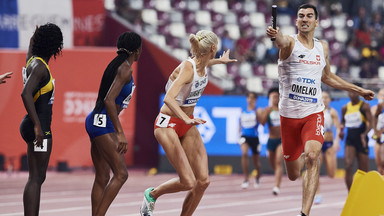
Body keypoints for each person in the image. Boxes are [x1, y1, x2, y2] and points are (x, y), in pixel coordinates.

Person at [266, 4, 374, 216]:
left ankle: (304, 213)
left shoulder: (321, 48)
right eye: (300, 16)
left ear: (316, 22)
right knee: (293, 174)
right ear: (296, 21)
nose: (304, 19)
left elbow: (327, 77)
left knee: (313, 156)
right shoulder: (289, 43)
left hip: (313, 113)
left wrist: (358, 90)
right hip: (289, 116)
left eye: (309, 16)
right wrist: (275, 36)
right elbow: (280, 41)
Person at [140, 30, 236, 216]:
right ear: (213, 48)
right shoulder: (188, 68)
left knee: (203, 181)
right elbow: (168, 99)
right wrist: (185, 118)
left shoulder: (202, 64)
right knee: (188, 182)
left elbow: (205, 62)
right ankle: (152, 194)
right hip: (167, 124)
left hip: (186, 125)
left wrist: (219, 61)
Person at [84, 32, 142, 216]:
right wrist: (120, 133)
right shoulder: (126, 69)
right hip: (103, 123)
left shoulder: (116, 65)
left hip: (95, 119)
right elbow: (109, 100)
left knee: (102, 177)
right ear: (137, 51)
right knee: (121, 174)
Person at [20, 23, 63, 216]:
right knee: (36, 178)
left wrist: (36, 33)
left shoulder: (32, 59)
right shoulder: (39, 68)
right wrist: (38, 126)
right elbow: (25, 94)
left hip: (32, 123)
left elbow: (32, 42)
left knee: (38, 177)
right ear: (55, 46)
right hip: (40, 128)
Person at [340, 86, 372, 191]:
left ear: (358, 94)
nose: (352, 95)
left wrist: (364, 134)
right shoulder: (345, 108)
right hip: (350, 139)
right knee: (348, 165)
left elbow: (371, 124)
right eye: (350, 93)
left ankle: (361, 193)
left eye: (354, 93)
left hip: (362, 139)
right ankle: (350, 193)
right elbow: (342, 122)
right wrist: (341, 131)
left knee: (363, 171)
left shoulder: (365, 106)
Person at [314, 91, 341, 204]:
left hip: (329, 144)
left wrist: (337, 142)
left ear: (329, 100)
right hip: (318, 144)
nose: (324, 99)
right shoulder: (315, 112)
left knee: (332, 173)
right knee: (315, 170)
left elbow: (338, 128)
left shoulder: (332, 112)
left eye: (326, 97)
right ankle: (317, 193)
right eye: (322, 97)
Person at [260, 87, 283, 195]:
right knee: (273, 162)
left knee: (278, 161)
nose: (275, 99)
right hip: (271, 140)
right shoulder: (267, 110)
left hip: (282, 140)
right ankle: (278, 173)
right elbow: (262, 123)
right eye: (273, 97)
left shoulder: (283, 109)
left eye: (276, 96)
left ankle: (276, 186)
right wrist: (266, 113)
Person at [239, 91, 263, 189]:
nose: (250, 100)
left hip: (254, 137)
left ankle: (257, 176)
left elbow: (261, 122)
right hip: (244, 136)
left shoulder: (257, 111)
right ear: (246, 99)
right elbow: (239, 124)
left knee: (256, 161)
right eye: (249, 98)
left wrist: (257, 113)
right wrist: (238, 135)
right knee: (244, 154)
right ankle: (246, 178)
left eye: (252, 98)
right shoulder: (243, 111)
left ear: (255, 100)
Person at [372, 88, 384, 175]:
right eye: (380, 95)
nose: (381, 97)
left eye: (383, 95)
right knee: (379, 164)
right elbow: (373, 121)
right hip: (378, 137)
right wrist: (375, 131)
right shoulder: (374, 108)